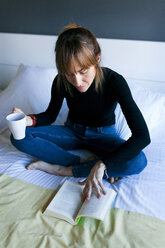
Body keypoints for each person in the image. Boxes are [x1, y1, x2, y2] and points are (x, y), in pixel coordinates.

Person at [10, 24, 150, 201]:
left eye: (83, 72)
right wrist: (27, 120)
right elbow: (50, 115)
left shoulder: (115, 82)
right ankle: (79, 164)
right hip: (72, 131)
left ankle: (66, 170)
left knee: (138, 161)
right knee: (18, 136)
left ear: (97, 59)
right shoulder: (61, 81)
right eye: (69, 74)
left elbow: (142, 136)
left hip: (103, 136)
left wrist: (103, 165)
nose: (77, 81)